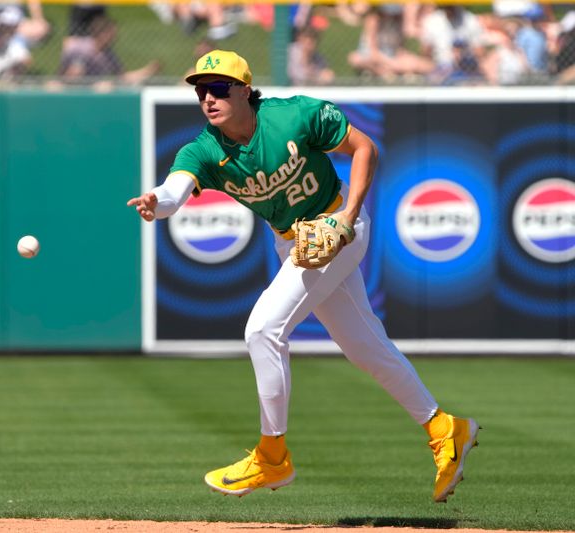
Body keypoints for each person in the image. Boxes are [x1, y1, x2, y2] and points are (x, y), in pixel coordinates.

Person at [127, 49, 480, 502]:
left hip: (335, 225)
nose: (208, 98)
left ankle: (272, 457)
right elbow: (176, 190)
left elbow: (363, 147)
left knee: (262, 329)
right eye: (201, 90)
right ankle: (445, 429)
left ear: (244, 90)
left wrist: (349, 216)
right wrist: (159, 200)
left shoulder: (294, 115)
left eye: (218, 88)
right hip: (293, 242)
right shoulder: (205, 148)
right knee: (364, 346)